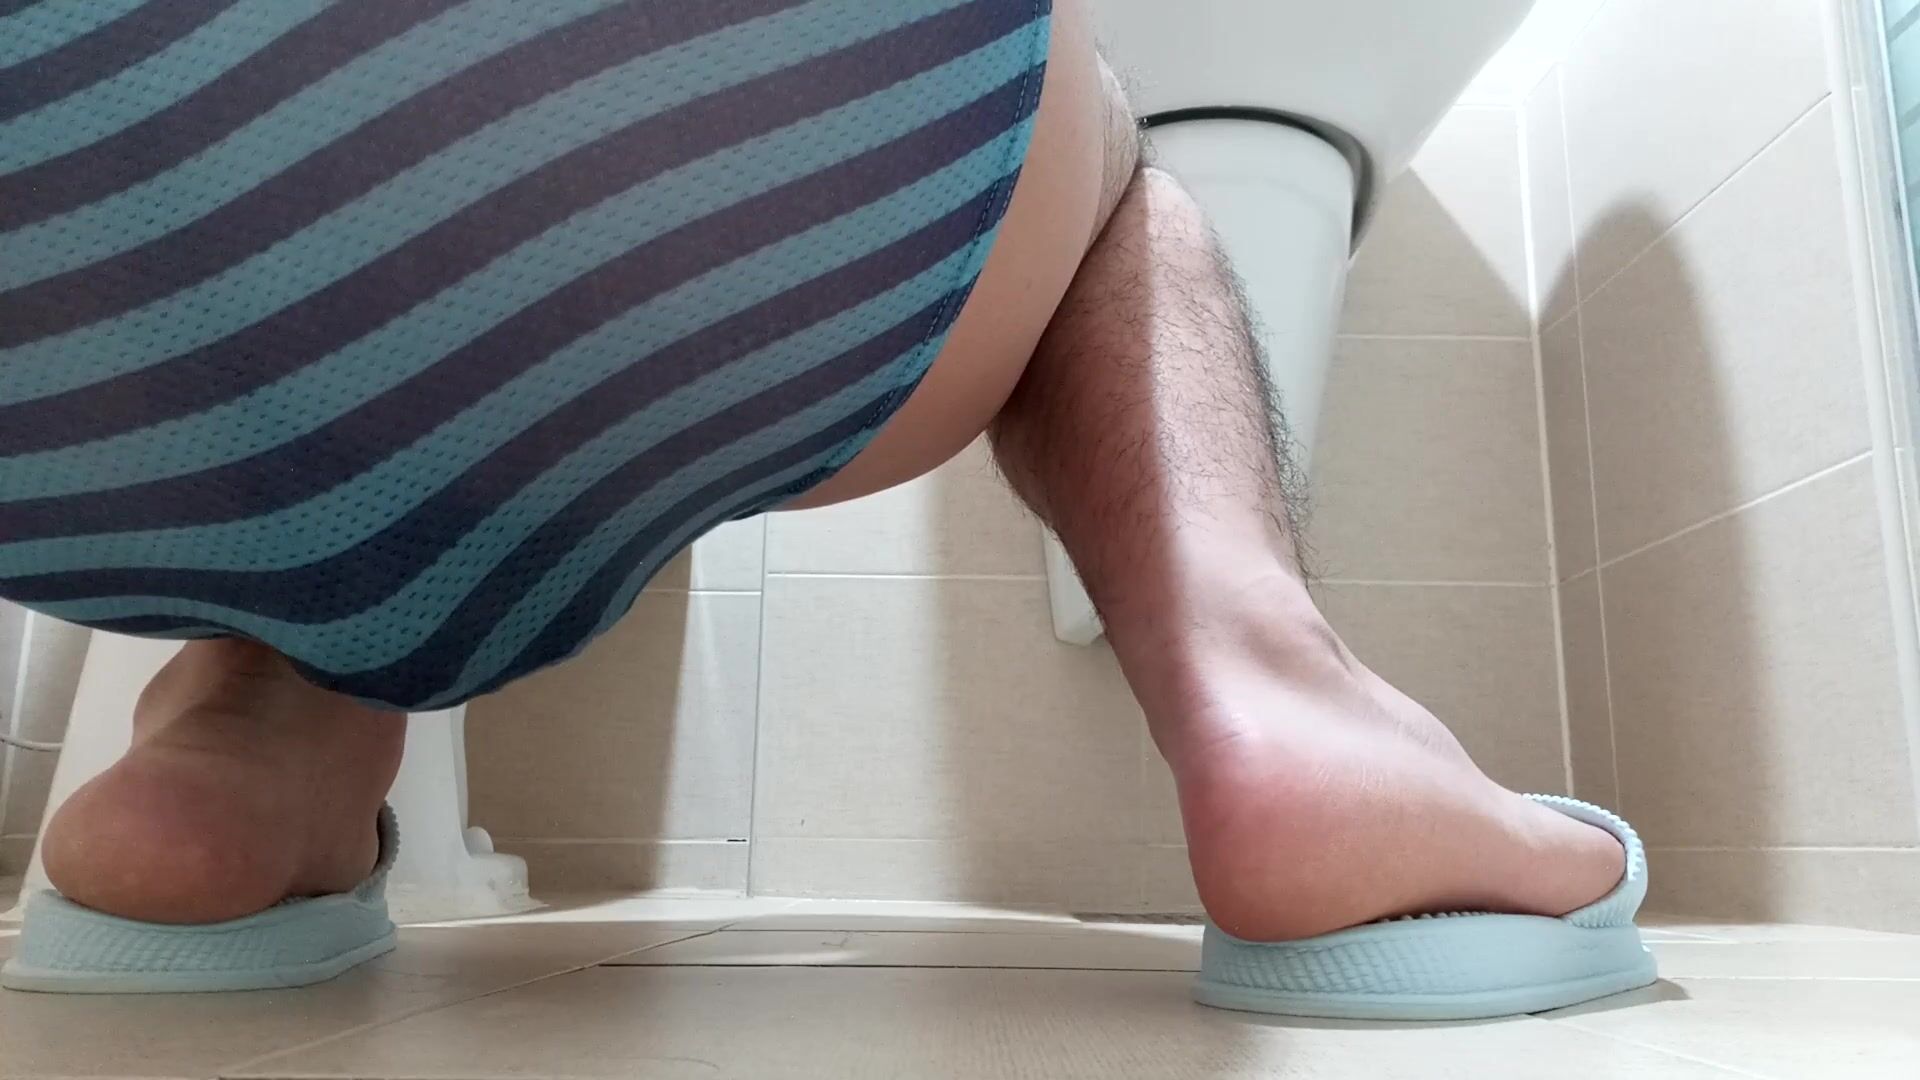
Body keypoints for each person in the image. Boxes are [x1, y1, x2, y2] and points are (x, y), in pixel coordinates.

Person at [0, 0, 1633, 1005]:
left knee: (260, 191)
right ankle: (1273, 701)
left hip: (51, 358)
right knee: (1114, 176)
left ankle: (250, 733)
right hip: (785, 123)